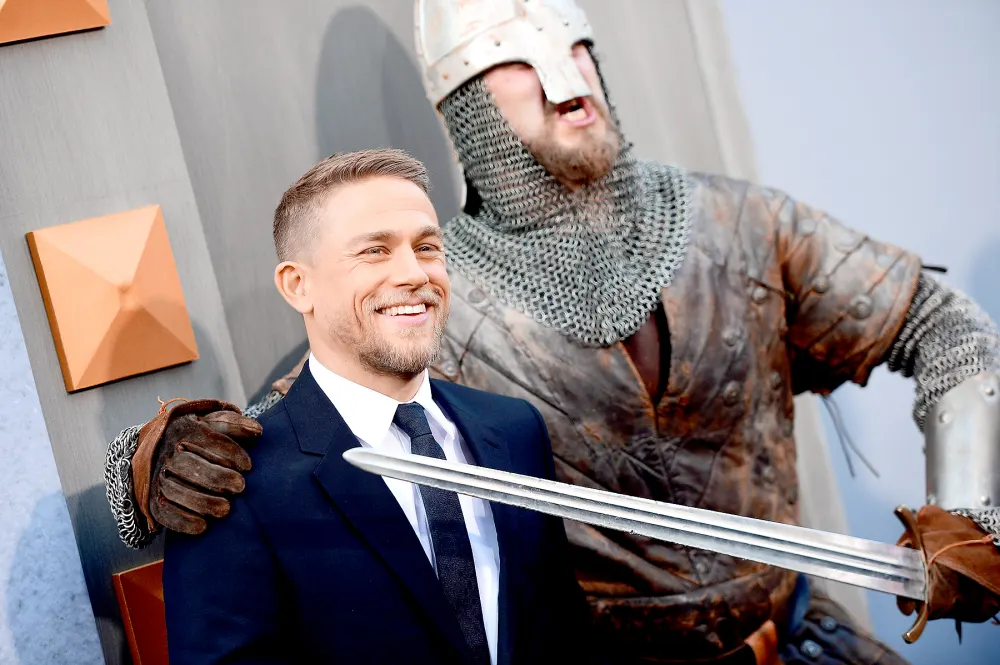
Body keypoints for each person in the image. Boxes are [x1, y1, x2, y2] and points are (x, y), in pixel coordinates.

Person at [106, 1, 1000, 663]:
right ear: (465, 104)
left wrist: (966, 515)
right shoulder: (436, 298)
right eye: (517, 61)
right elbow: (293, 437)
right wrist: (152, 465)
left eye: (576, 47)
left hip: (806, 637)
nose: (566, 77)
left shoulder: (739, 224)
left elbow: (941, 323)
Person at [162, 149, 597, 665]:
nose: (414, 273)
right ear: (298, 285)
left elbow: (562, 633)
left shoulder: (514, 429)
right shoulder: (231, 483)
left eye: (427, 246)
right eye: (374, 251)